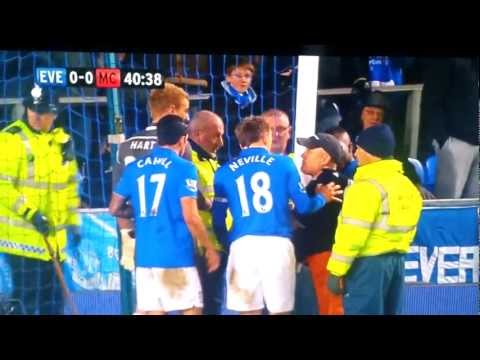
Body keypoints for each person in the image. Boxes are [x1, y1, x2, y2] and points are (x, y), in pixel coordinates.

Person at [212, 116, 342, 315]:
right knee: (280, 311)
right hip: (278, 245)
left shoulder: (223, 172)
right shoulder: (283, 164)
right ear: (267, 137)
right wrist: (323, 198)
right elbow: (305, 207)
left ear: (239, 141)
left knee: (247, 311)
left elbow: (218, 220)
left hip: (242, 246)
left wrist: (228, 243)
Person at [109, 115, 220, 315]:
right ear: (183, 140)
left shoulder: (135, 168)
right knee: (192, 308)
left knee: (152, 311)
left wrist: (142, 211)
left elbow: (114, 208)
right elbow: (191, 217)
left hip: (145, 257)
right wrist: (210, 248)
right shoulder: (184, 168)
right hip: (175, 255)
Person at [0, 84, 81, 315]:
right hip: (22, 240)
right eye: (33, 110)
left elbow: (69, 186)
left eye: (43, 111)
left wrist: (73, 221)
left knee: (53, 304)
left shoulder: (63, 142)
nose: (36, 116)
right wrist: (31, 213)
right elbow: (2, 186)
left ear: (54, 114)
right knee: (25, 301)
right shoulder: (10, 139)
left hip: (53, 242)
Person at [326, 124, 423, 315]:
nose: (355, 154)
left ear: (370, 152)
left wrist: (336, 271)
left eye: (359, 148)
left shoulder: (364, 188)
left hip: (367, 268)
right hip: (397, 264)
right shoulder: (407, 185)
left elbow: (352, 236)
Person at [113, 83, 190, 273]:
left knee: (146, 300)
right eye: (184, 110)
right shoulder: (179, 144)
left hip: (141, 238)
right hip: (172, 239)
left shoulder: (125, 146)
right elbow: (188, 198)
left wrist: (127, 240)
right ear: (172, 110)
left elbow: (117, 202)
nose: (187, 116)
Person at [294, 133, 349, 315]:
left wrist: (291, 210)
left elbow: (305, 217)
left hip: (325, 256)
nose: (303, 155)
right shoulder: (323, 181)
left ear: (324, 158)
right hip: (321, 255)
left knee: (331, 306)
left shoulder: (329, 181)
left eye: (309, 151)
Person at [187, 110, 230, 315]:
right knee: (204, 304)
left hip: (216, 242)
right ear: (197, 134)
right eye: (216, 135)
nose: (221, 142)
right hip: (200, 247)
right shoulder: (188, 162)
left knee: (212, 302)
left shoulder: (210, 160)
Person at [420, 58, 479, 199]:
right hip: (456, 140)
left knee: (475, 204)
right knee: (450, 200)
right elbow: (431, 99)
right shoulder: (446, 60)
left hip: (475, 137)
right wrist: (442, 139)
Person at [214, 58, 258, 164]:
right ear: (228, 78)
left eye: (247, 76)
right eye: (238, 76)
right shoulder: (218, 99)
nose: (243, 80)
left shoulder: (256, 100)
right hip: (224, 155)